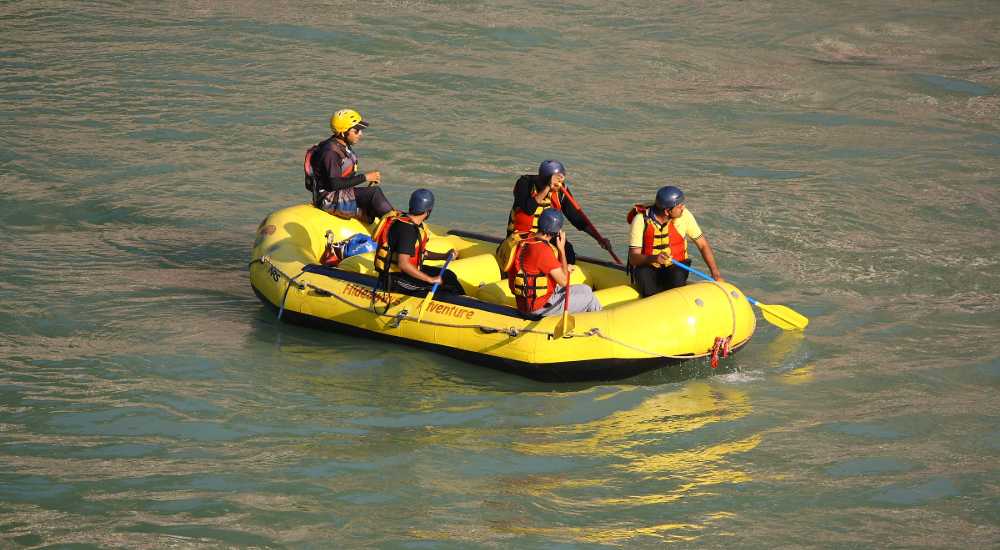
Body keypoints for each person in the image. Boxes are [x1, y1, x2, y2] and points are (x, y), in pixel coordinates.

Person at [501, 160, 613, 266]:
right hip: (521, 236)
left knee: (568, 250)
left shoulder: (561, 191)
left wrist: (599, 239)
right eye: (556, 181)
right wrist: (547, 188)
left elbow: (576, 219)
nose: (559, 185)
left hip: (546, 236)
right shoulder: (524, 183)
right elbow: (528, 209)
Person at [627, 185, 722, 297]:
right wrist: (654, 258)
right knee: (645, 281)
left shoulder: (685, 215)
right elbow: (633, 258)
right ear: (667, 211)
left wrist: (715, 274)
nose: (683, 207)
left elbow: (703, 245)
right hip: (648, 265)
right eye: (679, 206)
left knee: (676, 276)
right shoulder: (640, 220)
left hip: (675, 267)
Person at [304, 109, 395, 223]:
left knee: (372, 207)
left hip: (339, 193)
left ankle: (388, 219)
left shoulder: (341, 144)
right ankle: (397, 226)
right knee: (374, 193)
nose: (360, 134)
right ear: (343, 133)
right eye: (356, 131)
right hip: (328, 199)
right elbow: (334, 184)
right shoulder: (330, 153)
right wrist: (365, 178)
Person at [506, 209, 601, 316]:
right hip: (538, 307)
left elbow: (534, 266)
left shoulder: (526, 240)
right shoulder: (543, 250)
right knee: (589, 298)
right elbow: (564, 281)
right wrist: (561, 249)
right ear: (556, 231)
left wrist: (562, 266)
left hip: (526, 302)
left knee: (586, 289)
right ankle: (598, 327)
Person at [373, 189, 465, 296]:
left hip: (407, 274)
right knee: (442, 289)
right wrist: (429, 279)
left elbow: (420, 253)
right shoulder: (407, 230)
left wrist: (444, 256)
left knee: (448, 275)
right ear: (428, 211)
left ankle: (466, 301)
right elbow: (403, 264)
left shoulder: (412, 224)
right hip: (396, 280)